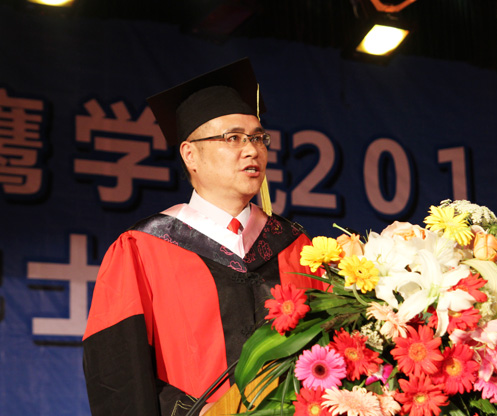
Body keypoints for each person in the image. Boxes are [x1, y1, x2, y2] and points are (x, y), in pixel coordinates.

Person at [82, 58, 324, 416]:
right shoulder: (143, 249)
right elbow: (117, 375)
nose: (252, 149)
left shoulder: (295, 246)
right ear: (190, 154)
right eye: (233, 138)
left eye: (258, 138)